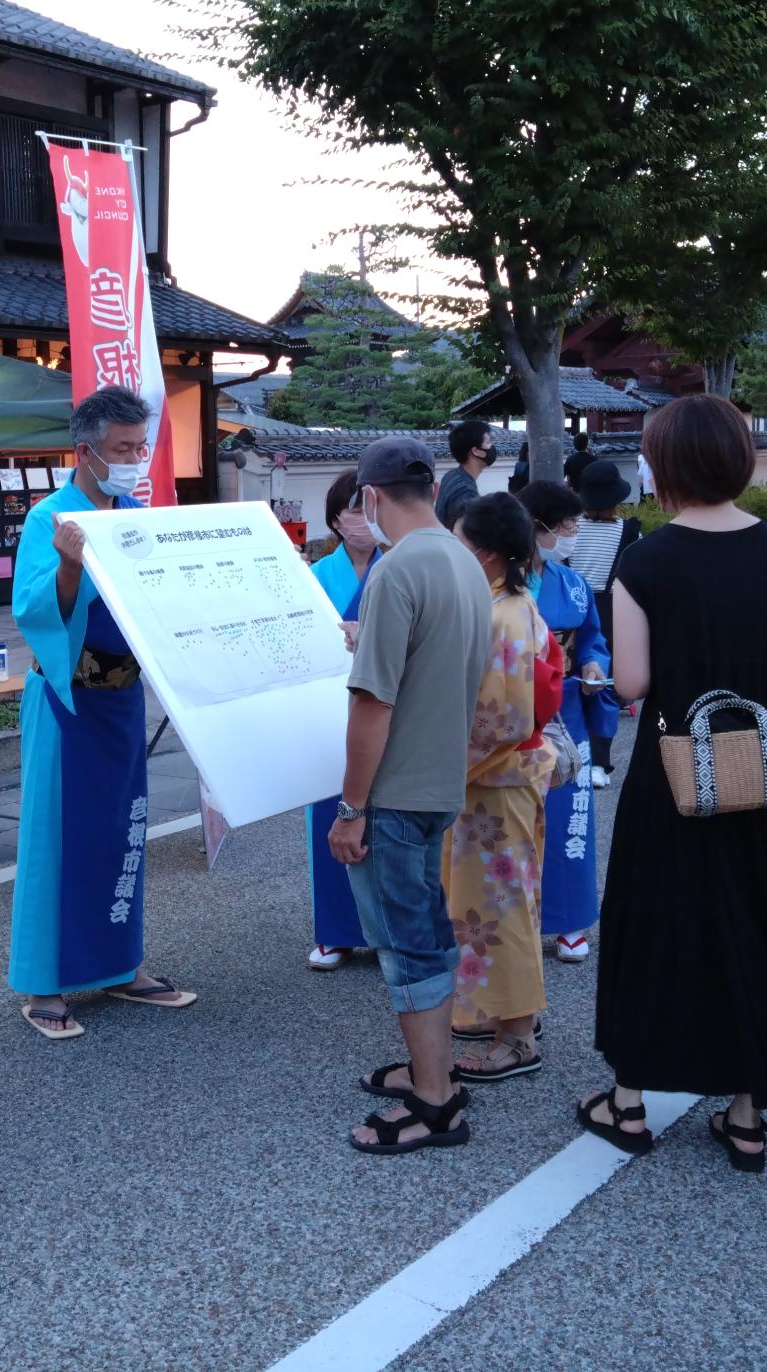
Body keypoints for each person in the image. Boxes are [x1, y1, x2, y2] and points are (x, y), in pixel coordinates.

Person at [581, 394, 767, 1171]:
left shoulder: (644, 561)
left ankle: (630, 1099)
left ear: (665, 465)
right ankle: (746, 1114)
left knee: (660, 926)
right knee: (762, 923)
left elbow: (634, 683)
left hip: (676, 776)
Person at [8, 386, 196, 1039]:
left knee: (122, 831)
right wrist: (68, 564)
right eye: (122, 449)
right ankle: (42, 982)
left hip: (119, 699)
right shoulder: (49, 520)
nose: (135, 459)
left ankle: (119, 964)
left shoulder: (133, 515)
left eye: (140, 447)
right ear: (83, 451)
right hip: (66, 698)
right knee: (56, 837)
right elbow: (35, 609)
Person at [329, 436, 490, 1155]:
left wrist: (350, 808)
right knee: (424, 926)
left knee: (406, 944)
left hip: (392, 790)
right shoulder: (462, 559)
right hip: (440, 780)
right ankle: (433, 1068)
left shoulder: (396, 571)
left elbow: (373, 705)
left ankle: (435, 1102)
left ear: (370, 496)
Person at [442, 493, 559, 1083]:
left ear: (484, 553)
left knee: (501, 906)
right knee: (488, 903)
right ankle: (500, 1014)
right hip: (497, 779)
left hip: (492, 777)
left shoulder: (499, 616)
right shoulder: (511, 603)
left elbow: (498, 722)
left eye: (459, 541)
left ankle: (517, 1035)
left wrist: (435, 764)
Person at [515, 479, 611, 963]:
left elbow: (593, 637)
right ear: (539, 527)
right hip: (508, 714)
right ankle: (512, 919)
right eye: (568, 525)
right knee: (505, 821)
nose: (573, 533)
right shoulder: (493, 581)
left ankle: (568, 920)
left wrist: (595, 664)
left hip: (566, 710)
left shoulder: (571, 583)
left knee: (569, 819)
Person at [303, 471, 377, 970]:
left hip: (384, 700)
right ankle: (335, 931)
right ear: (335, 520)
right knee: (332, 809)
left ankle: (388, 928)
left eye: (366, 509)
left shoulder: (400, 567)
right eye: (351, 512)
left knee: (389, 816)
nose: (361, 522)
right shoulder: (315, 574)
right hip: (330, 703)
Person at [567, 461, 638, 787]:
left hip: (570, 609)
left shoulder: (569, 529)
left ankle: (567, 755)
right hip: (610, 611)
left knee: (568, 684)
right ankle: (600, 762)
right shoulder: (629, 531)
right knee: (603, 686)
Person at [437, 421, 495, 529]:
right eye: (488, 442)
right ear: (476, 451)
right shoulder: (466, 492)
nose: (492, 446)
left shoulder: (451, 475)